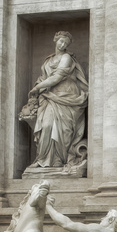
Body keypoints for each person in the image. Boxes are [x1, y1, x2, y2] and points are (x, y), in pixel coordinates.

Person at [23, 31, 89, 170]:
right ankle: (42, 159)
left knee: (63, 131)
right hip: (50, 97)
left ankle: (58, 160)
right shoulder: (48, 60)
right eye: (61, 41)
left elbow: (57, 77)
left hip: (66, 96)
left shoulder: (66, 58)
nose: (63, 44)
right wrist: (38, 86)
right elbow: (43, 77)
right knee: (46, 126)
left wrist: (38, 88)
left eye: (66, 43)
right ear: (55, 40)